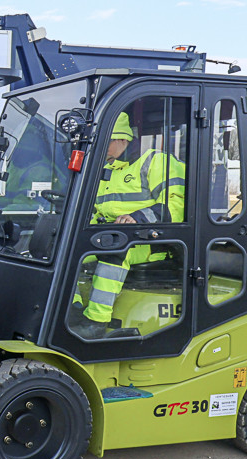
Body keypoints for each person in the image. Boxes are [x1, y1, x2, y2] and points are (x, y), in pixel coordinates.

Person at [71, 112, 186, 338]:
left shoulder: (155, 162)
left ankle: (96, 321)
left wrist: (137, 218)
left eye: (105, 142)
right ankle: (73, 312)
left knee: (114, 248)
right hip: (114, 236)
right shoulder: (107, 171)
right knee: (64, 249)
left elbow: (178, 205)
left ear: (122, 139)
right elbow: (98, 213)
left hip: (152, 241)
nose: (100, 149)